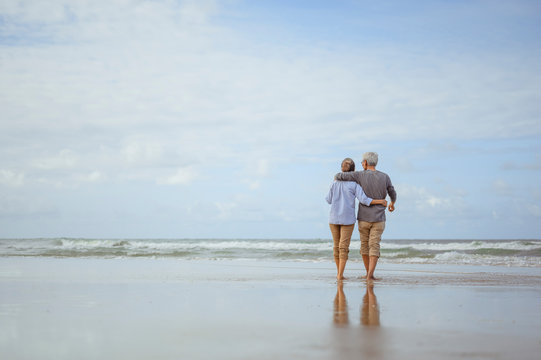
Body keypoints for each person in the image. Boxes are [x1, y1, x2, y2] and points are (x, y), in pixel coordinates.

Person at [335, 152, 396, 281]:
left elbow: (339, 176)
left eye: (362, 162)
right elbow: (392, 192)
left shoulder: (359, 175)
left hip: (363, 218)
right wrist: (392, 203)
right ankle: (370, 275)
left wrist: (338, 178)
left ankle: (367, 272)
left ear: (366, 163)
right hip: (379, 218)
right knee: (374, 245)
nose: (362, 164)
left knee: (364, 245)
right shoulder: (385, 176)